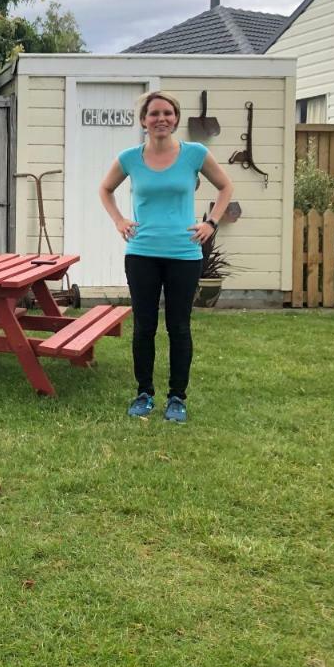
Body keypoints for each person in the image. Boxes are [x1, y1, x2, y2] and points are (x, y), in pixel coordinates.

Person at [98, 91, 234, 423]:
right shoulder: (130, 158)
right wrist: (119, 220)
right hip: (142, 253)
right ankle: (144, 393)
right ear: (143, 120)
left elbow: (225, 187)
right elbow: (105, 189)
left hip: (184, 255)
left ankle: (177, 398)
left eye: (168, 113)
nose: (161, 119)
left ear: (175, 118)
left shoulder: (195, 154)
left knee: (178, 327)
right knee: (144, 326)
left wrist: (211, 223)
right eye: (154, 113)